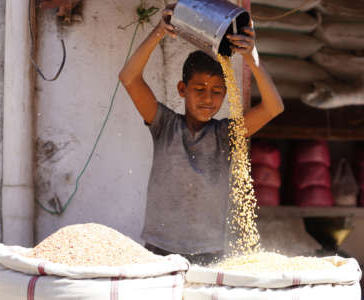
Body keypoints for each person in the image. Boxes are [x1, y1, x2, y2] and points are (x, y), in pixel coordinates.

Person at [119, 4, 284, 264]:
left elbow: (274, 107)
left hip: (209, 252)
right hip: (159, 249)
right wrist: (158, 32)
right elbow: (129, 78)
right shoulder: (165, 125)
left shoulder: (225, 135)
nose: (208, 98)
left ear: (225, 94)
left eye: (217, 91)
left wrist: (251, 58)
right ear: (182, 89)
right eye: (199, 88)